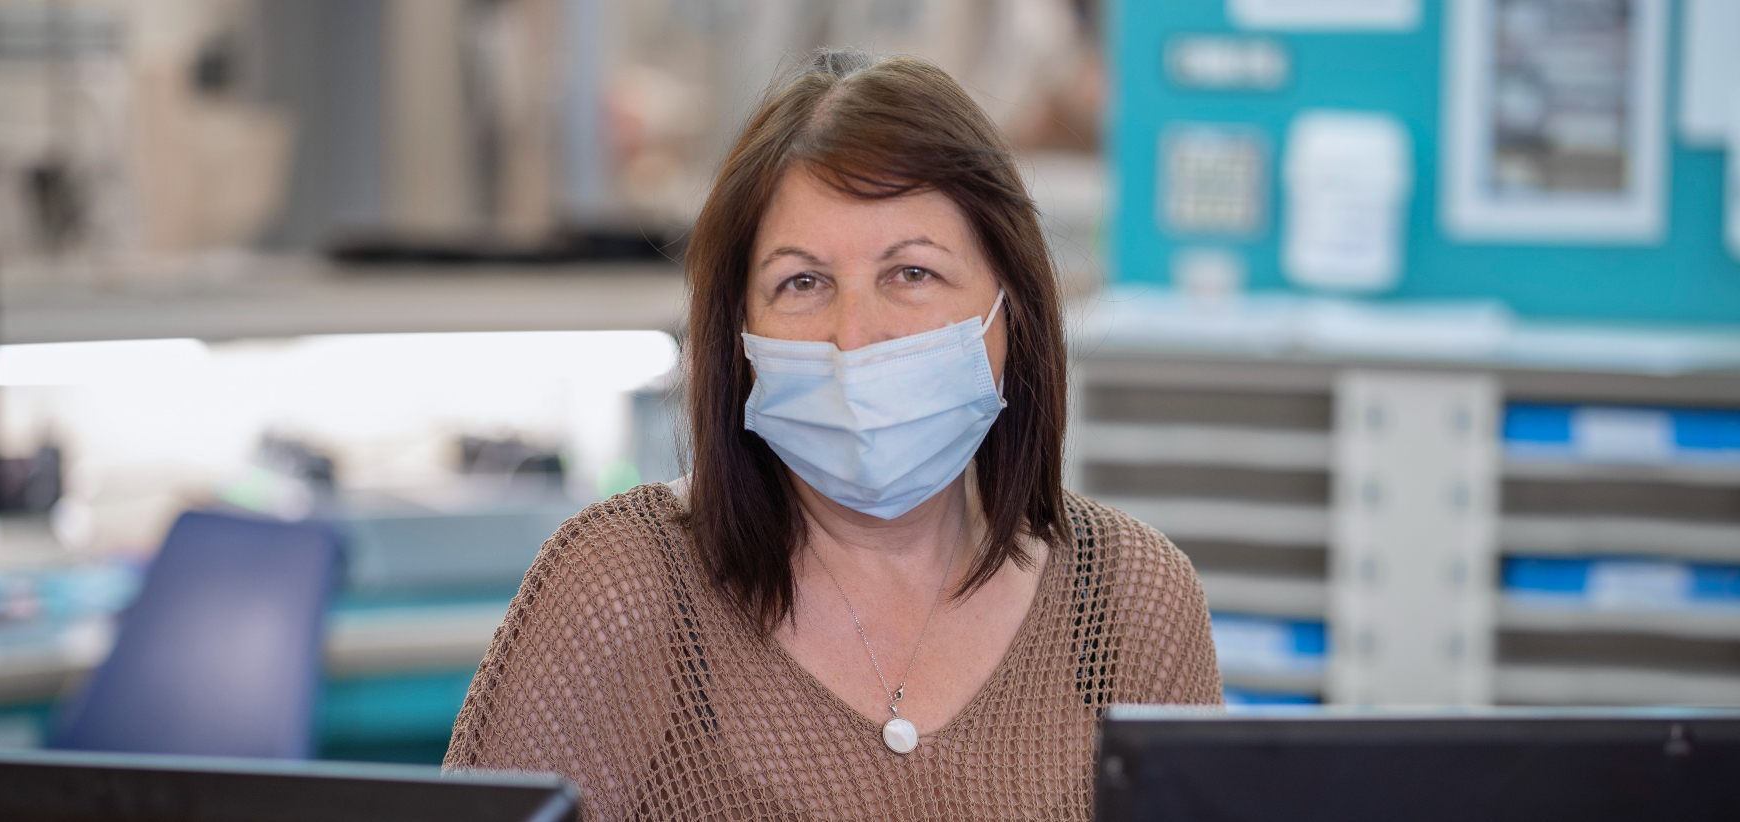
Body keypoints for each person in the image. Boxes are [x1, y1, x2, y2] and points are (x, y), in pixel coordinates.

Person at [444, 49, 1220, 821]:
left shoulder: (1130, 602)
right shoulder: (622, 589)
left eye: (911, 273)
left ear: (1009, 309)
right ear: (739, 332)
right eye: (802, 283)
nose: (854, 336)